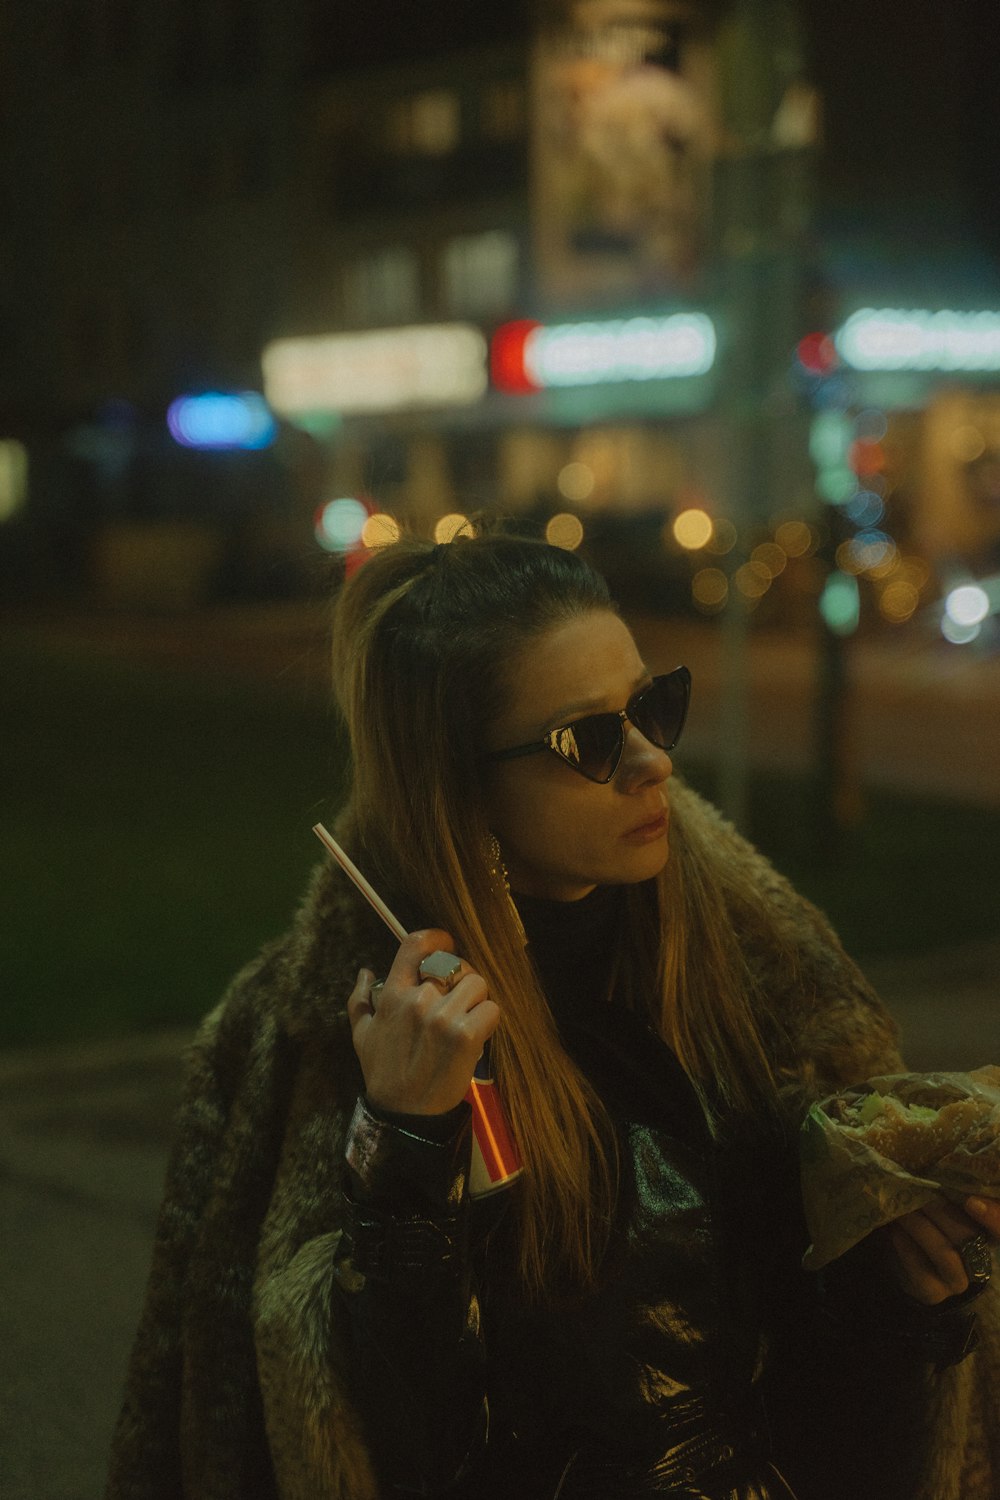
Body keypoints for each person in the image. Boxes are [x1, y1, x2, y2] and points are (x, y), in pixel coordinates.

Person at [106, 528, 1000, 1500]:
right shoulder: (336, 1041)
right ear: (456, 782)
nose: (654, 761)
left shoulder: (758, 978)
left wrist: (903, 1296)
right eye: (593, 738)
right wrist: (404, 1153)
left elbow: (831, 1412)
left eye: (655, 706)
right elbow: (382, 1450)